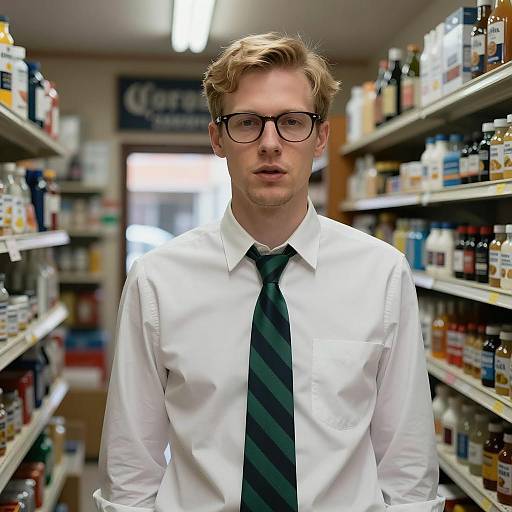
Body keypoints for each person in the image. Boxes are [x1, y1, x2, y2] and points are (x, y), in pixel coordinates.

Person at [94, 33, 443, 512]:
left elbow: (407, 466)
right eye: (248, 122)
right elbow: (129, 467)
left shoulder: (382, 274)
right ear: (217, 138)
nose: (270, 143)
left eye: (293, 122)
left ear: (321, 136)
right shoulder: (156, 282)